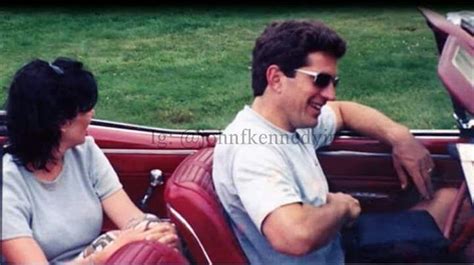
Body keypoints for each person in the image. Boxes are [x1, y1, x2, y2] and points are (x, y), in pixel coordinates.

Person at [212, 20, 458, 264]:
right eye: (320, 80)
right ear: (276, 78)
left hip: (337, 247)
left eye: (333, 82)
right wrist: (342, 208)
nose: (330, 94)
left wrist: (400, 136)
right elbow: (294, 237)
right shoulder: (254, 149)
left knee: (452, 203)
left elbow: (342, 111)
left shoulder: (291, 124)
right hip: (331, 255)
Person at [1, 58, 181, 264]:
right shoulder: (8, 184)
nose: (92, 114)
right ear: (61, 121)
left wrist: (156, 231)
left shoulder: (85, 151)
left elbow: (130, 218)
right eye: (85, 109)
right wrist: (99, 257)